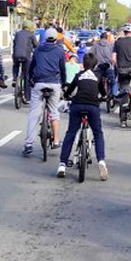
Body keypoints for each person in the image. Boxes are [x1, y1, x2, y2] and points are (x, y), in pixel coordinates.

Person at [58, 53, 108, 180]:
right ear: (95, 65)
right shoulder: (98, 76)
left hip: (77, 105)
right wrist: (104, 97)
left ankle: (62, 164)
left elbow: (70, 91)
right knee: (98, 133)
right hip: (93, 107)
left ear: (83, 64)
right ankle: (101, 161)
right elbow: (103, 93)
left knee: (71, 133)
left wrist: (66, 96)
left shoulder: (78, 75)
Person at [24, 27, 66, 156]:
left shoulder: (37, 50)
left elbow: (32, 67)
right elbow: (62, 69)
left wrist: (31, 79)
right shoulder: (60, 51)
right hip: (54, 83)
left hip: (39, 83)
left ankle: (28, 143)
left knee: (34, 113)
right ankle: (56, 141)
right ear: (56, 38)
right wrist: (63, 83)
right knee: (54, 111)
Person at [91, 29, 116, 100]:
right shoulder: (110, 45)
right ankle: (113, 95)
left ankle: (96, 95)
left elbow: (90, 53)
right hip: (108, 66)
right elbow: (113, 56)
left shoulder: (96, 45)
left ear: (100, 38)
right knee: (113, 82)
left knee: (95, 81)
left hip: (98, 66)